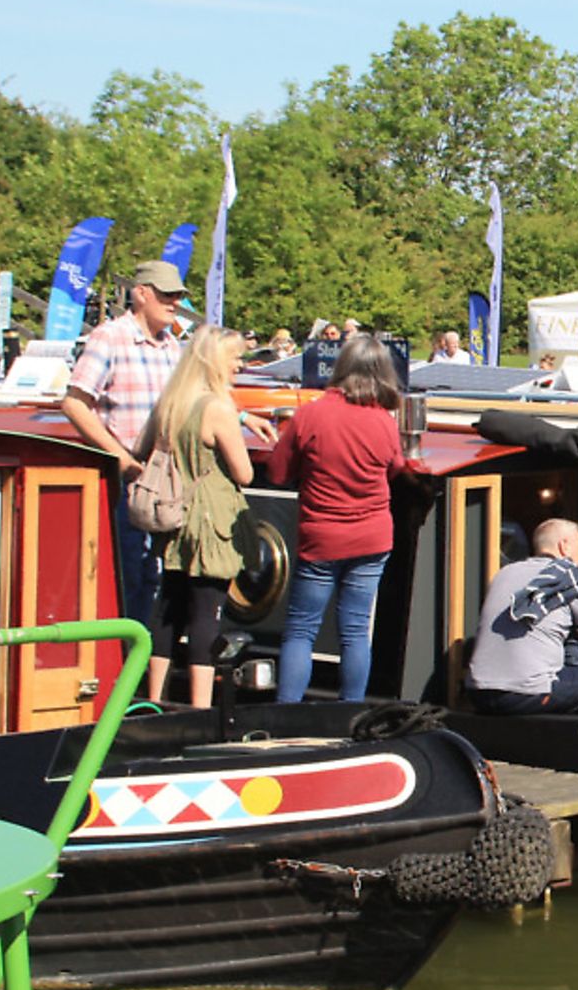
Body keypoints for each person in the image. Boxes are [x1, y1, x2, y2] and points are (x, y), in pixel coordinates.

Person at [63, 260, 275, 623]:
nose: (174, 303)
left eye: (177, 296)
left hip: (171, 486)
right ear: (140, 294)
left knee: (157, 584)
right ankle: (128, 668)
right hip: (129, 480)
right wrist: (121, 459)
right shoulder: (110, 337)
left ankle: (148, 671)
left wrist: (241, 417)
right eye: (166, 295)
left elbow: (194, 399)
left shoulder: (171, 346)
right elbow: (74, 403)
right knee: (129, 579)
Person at [267, 334, 407, 702]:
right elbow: (396, 467)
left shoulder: (311, 413)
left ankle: (287, 716)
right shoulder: (383, 422)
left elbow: (279, 473)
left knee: (301, 629)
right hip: (372, 538)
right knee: (356, 630)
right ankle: (351, 714)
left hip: (321, 538)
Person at [140, 326, 253, 705]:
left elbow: (142, 449)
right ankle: (200, 709)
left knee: (168, 608)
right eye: (234, 357)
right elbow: (244, 473)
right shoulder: (217, 408)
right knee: (206, 612)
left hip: (172, 517)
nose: (240, 364)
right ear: (216, 362)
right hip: (210, 521)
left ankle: (153, 699)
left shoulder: (171, 401)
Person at [467, 518, 578, 715]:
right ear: (564, 546)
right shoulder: (573, 578)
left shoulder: (504, 573)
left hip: (478, 691)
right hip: (526, 693)